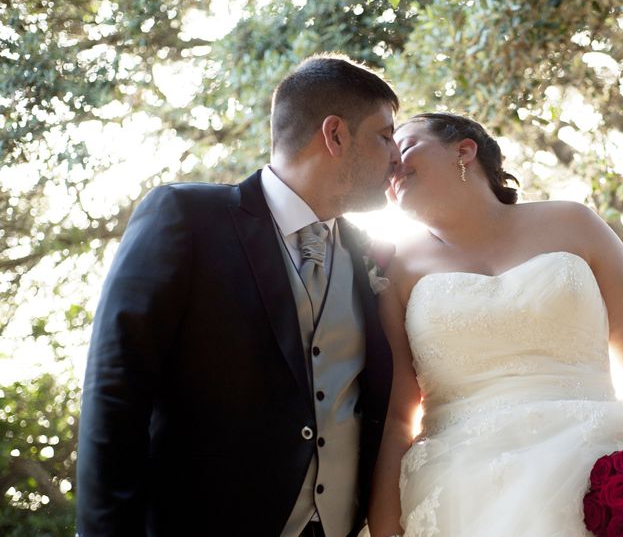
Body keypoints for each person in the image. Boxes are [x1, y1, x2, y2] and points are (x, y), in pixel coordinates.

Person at [367, 113, 623, 536]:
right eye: (387, 159)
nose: (393, 163)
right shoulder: (397, 271)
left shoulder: (573, 223)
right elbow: (398, 415)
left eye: (407, 146)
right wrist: (384, 527)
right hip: (459, 496)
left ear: (464, 151)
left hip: (597, 467)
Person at [77, 55, 401, 537]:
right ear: (334, 135)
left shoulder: (369, 254)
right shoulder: (187, 218)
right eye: (385, 135)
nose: (397, 155)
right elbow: (116, 386)